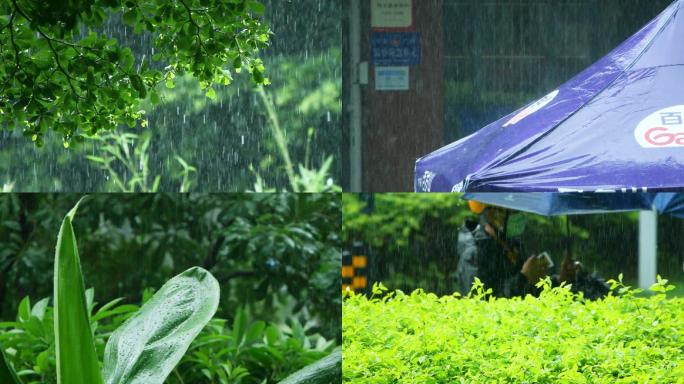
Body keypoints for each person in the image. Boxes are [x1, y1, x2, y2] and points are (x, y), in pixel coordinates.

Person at [457, 201, 608, 299]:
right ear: (493, 212)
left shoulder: (514, 246)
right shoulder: (473, 252)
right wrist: (523, 277)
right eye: (515, 211)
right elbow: (480, 303)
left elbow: (532, 294)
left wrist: (559, 281)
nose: (521, 216)